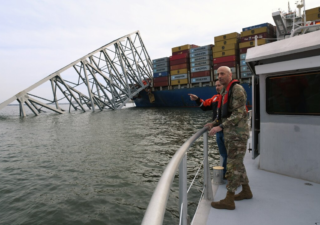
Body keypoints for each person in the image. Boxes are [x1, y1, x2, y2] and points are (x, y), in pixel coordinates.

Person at [207, 66, 252, 210]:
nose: (219, 76)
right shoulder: (225, 90)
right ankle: (246, 191)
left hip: (238, 134)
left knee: (232, 166)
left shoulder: (236, 89)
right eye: (218, 74)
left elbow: (239, 113)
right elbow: (224, 114)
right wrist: (214, 123)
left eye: (222, 74)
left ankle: (229, 199)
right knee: (238, 163)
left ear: (230, 75)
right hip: (231, 134)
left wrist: (220, 127)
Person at [188, 80, 228, 179]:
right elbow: (205, 105)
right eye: (216, 86)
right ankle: (226, 173)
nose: (217, 87)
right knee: (223, 154)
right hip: (218, 131)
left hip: (229, 131)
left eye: (219, 85)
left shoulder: (230, 97)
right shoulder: (215, 98)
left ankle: (228, 174)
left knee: (230, 154)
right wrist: (197, 99)